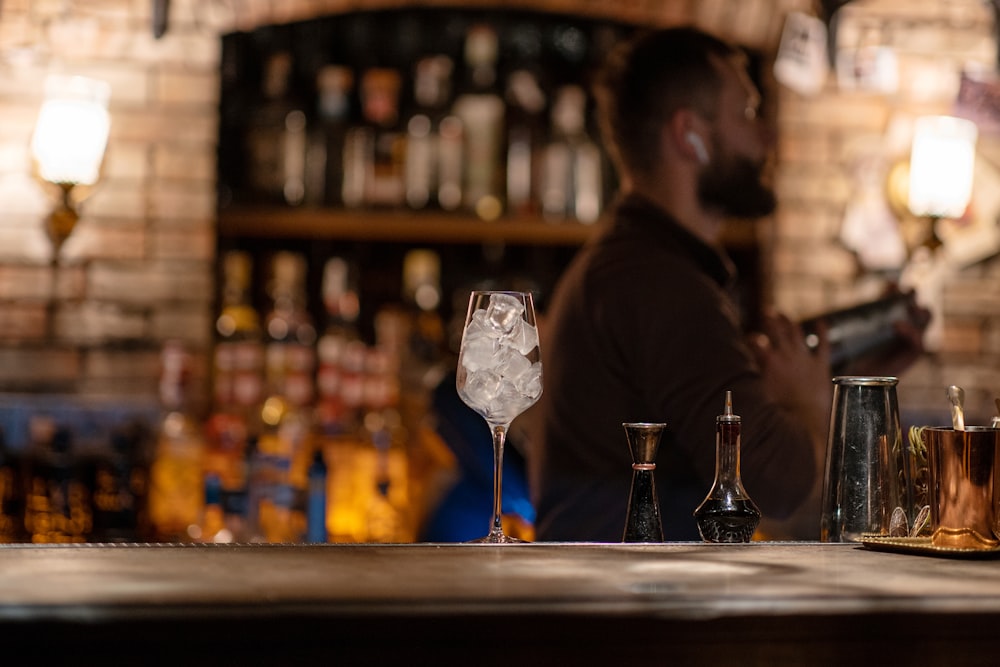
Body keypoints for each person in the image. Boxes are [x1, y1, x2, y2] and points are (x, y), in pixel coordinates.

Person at [527, 26, 927, 542]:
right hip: (628, 608)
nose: (768, 138)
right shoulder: (661, 285)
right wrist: (808, 404)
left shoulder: (636, 267)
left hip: (619, 598)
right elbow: (778, 486)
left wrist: (850, 386)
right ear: (689, 135)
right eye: (748, 113)